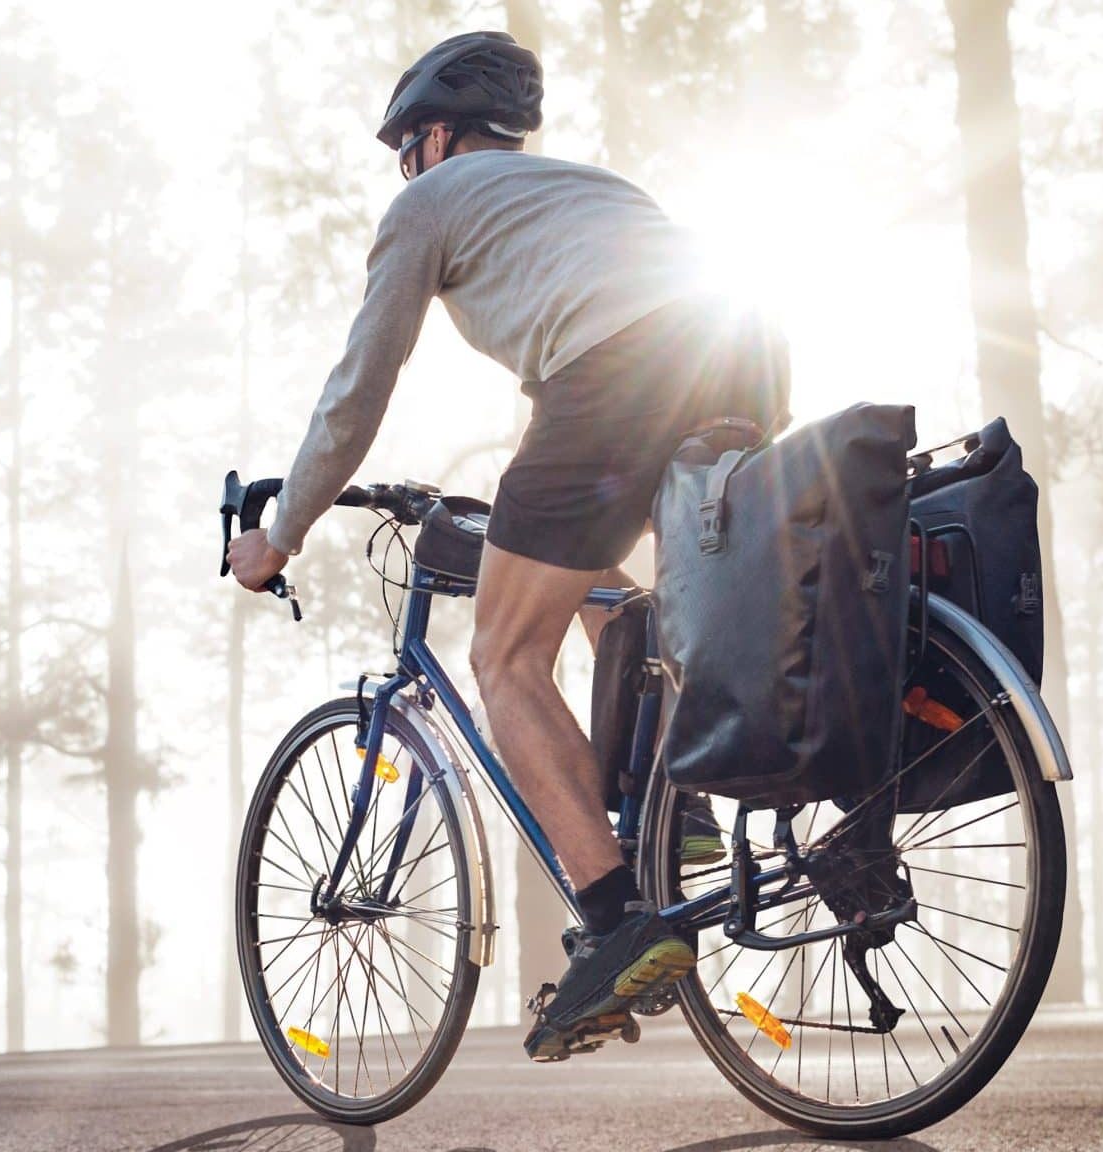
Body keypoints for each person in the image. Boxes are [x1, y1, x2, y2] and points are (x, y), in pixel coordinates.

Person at [224, 30, 790, 1061]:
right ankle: (683, 805)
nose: (405, 169)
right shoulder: (583, 188)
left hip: (616, 372)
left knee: (501, 655)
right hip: (744, 353)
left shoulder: (427, 205)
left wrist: (278, 530)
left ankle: (616, 919)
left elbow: (356, 394)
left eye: (406, 149)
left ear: (436, 136)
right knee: (597, 587)